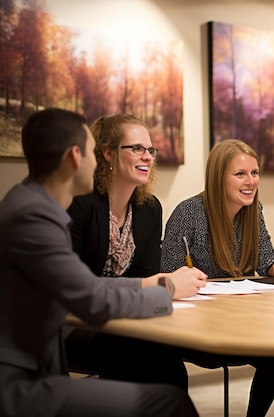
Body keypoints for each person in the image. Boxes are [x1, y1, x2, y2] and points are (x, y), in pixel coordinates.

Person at [0, 108, 202, 417]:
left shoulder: (33, 204)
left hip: (39, 364)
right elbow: (91, 297)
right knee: (169, 400)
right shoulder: (34, 215)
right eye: (92, 152)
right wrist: (168, 287)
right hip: (18, 383)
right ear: (74, 157)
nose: (147, 157)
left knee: (166, 368)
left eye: (150, 150)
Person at [161, 139, 274, 417]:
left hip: (242, 323)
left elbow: (266, 258)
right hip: (200, 330)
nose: (251, 181)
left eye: (255, 173)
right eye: (241, 174)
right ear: (218, 177)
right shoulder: (188, 213)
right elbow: (169, 275)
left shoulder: (253, 210)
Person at [64, 114, 205, 389]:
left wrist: (157, 284)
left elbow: (147, 274)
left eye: (150, 150)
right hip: (75, 322)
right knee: (147, 354)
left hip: (127, 317)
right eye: (137, 149)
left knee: (168, 355)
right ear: (108, 154)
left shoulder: (149, 208)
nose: (147, 157)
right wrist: (161, 284)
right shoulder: (79, 203)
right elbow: (75, 288)